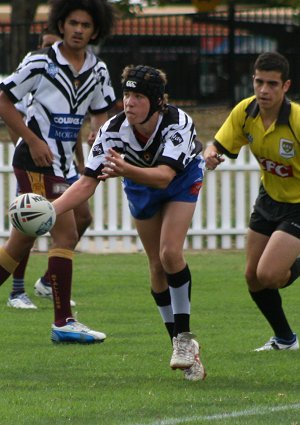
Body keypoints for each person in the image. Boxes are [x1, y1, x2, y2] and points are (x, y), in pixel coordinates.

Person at [50, 64, 206, 381]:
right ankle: (178, 346)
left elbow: (164, 177)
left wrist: (124, 169)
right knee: (155, 265)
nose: (129, 102)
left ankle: (186, 339)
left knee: (170, 253)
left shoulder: (177, 122)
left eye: (137, 96)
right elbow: (86, 182)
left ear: (156, 102)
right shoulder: (112, 130)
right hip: (137, 182)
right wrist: (50, 211)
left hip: (178, 179)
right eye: (126, 94)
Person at [0, 0, 116, 343]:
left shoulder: (98, 69)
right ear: (61, 24)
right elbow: (4, 100)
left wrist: (98, 131)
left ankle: (56, 311)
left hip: (64, 165)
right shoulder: (41, 61)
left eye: (86, 25)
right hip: (34, 161)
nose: (79, 30)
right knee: (63, 233)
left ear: (96, 30)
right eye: (73, 23)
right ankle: (63, 322)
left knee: (20, 243)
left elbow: (102, 112)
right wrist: (33, 140)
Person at [204, 51, 300, 351]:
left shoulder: (297, 121)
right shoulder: (246, 111)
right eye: (259, 82)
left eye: (272, 84)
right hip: (268, 198)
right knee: (253, 277)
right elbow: (219, 144)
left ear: (285, 86)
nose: (263, 90)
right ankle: (285, 339)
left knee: (269, 274)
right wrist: (211, 153)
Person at [6, 28, 92, 309]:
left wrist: (81, 159)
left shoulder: (80, 79)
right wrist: (29, 144)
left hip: (63, 163)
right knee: (31, 228)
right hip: (38, 161)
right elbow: (13, 114)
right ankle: (18, 292)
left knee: (82, 218)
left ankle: (47, 281)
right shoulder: (34, 74)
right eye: (47, 45)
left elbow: (73, 125)